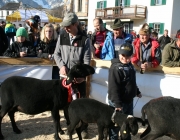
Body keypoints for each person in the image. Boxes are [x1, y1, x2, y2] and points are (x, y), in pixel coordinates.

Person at [54, 12, 91, 138]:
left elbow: (86, 61)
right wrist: (61, 66)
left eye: (68, 26)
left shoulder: (85, 40)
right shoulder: (62, 36)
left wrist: (83, 76)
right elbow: (56, 54)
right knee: (66, 104)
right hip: (65, 79)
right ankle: (71, 124)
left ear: (75, 24)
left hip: (79, 79)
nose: (65, 28)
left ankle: (84, 128)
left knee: (82, 104)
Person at [108, 43, 142, 140]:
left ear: (132, 56)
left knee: (127, 123)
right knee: (115, 125)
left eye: (128, 56)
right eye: (123, 55)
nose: (125, 58)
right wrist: (117, 104)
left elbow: (132, 82)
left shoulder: (130, 66)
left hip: (128, 101)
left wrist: (137, 91)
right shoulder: (115, 68)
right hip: (118, 102)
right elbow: (113, 87)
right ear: (119, 54)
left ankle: (126, 138)